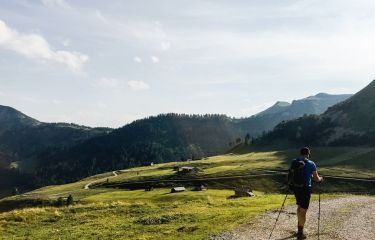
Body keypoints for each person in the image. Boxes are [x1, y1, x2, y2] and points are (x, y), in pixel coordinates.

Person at [292, 147, 323, 239]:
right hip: (305, 189)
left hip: (296, 188)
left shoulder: (294, 161)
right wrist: (321, 179)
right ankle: (300, 233)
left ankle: (299, 229)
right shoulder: (311, 163)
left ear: (300, 153)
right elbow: (316, 178)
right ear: (308, 154)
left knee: (299, 206)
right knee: (304, 210)